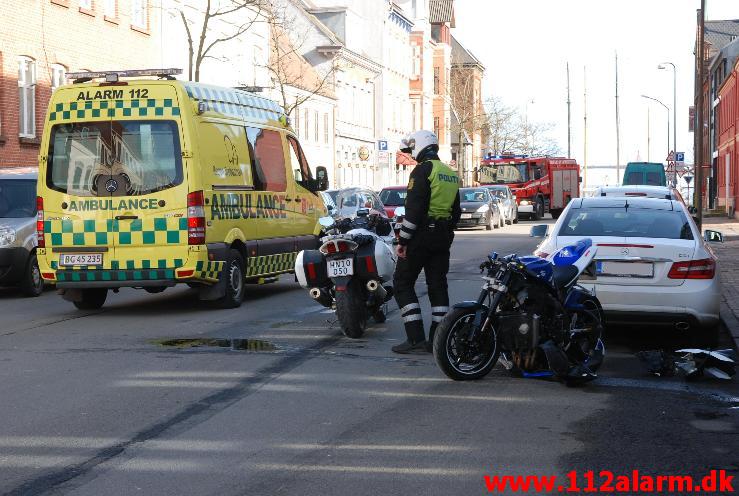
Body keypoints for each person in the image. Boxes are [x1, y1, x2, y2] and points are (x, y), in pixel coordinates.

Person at [391, 130, 461, 354]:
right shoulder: (450, 173)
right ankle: (437, 339)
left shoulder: (422, 170)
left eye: (412, 149)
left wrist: (402, 240)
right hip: (442, 237)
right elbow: (456, 212)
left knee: (402, 283)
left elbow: (414, 210)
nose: (412, 153)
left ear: (420, 146)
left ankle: (415, 338)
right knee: (438, 286)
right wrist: (446, 234)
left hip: (421, 236)